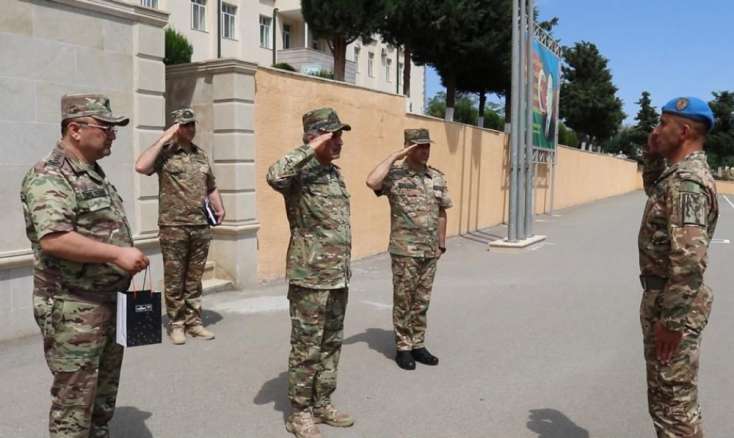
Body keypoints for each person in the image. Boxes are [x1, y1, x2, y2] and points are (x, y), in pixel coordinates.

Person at [20, 94, 149, 437]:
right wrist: (116, 255)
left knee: (102, 397)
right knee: (74, 406)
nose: (113, 135)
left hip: (108, 301)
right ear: (75, 130)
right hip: (74, 305)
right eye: (105, 127)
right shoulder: (50, 174)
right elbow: (54, 238)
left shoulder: (92, 173)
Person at [266, 108, 355, 438]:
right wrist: (311, 147)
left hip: (338, 275)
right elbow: (274, 175)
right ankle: (300, 412)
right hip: (310, 275)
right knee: (307, 347)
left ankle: (322, 403)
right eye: (333, 136)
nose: (339, 142)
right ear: (314, 137)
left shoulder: (334, 174)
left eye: (340, 136)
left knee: (331, 344)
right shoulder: (299, 174)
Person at [638, 97, 718, 438]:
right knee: (665, 401)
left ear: (683, 131)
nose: (656, 129)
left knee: (674, 407)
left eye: (663, 124)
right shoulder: (675, 176)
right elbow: (654, 190)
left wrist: (671, 322)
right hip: (667, 299)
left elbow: (689, 259)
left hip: (674, 304)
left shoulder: (687, 183)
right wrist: (652, 152)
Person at [135, 108, 225, 345]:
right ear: (175, 127)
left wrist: (219, 207)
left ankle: (194, 322)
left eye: (192, 124)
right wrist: (164, 138)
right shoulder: (164, 153)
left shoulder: (200, 154)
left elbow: (210, 185)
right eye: (185, 125)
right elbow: (141, 166)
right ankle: (176, 324)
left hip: (200, 225)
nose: (190, 129)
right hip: (173, 225)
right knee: (175, 278)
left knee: (194, 279)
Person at [366, 128, 452, 370]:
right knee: (404, 299)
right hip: (405, 250)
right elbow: (372, 181)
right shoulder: (394, 175)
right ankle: (403, 347)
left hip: (429, 250)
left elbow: (442, 212)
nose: (425, 151)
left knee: (422, 301)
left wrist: (441, 243)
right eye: (419, 146)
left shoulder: (436, 177)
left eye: (427, 146)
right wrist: (396, 155)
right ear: (408, 147)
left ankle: (418, 344)